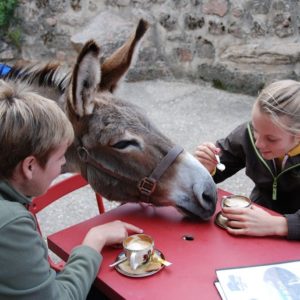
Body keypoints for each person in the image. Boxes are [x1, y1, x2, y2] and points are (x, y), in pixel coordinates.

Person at [0, 80, 143, 300]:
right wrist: (95, 239)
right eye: (60, 158)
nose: (64, 163)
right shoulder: (11, 224)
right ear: (29, 167)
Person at [194, 80, 300, 240]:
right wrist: (207, 167)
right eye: (256, 129)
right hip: (256, 217)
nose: (258, 143)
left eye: (271, 139)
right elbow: (223, 161)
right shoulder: (247, 134)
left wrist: (278, 224)